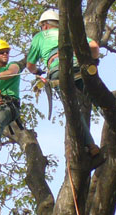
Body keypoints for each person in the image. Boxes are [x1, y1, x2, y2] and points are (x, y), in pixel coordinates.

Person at [25, 9, 101, 157]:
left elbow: (30, 66)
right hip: (79, 67)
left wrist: (38, 72)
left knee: (74, 110)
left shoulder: (40, 36)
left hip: (58, 72)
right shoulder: (69, 33)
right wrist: (93, 60)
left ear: (45, 25)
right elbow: (94, 47)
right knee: (97, 97)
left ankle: (91, 145)